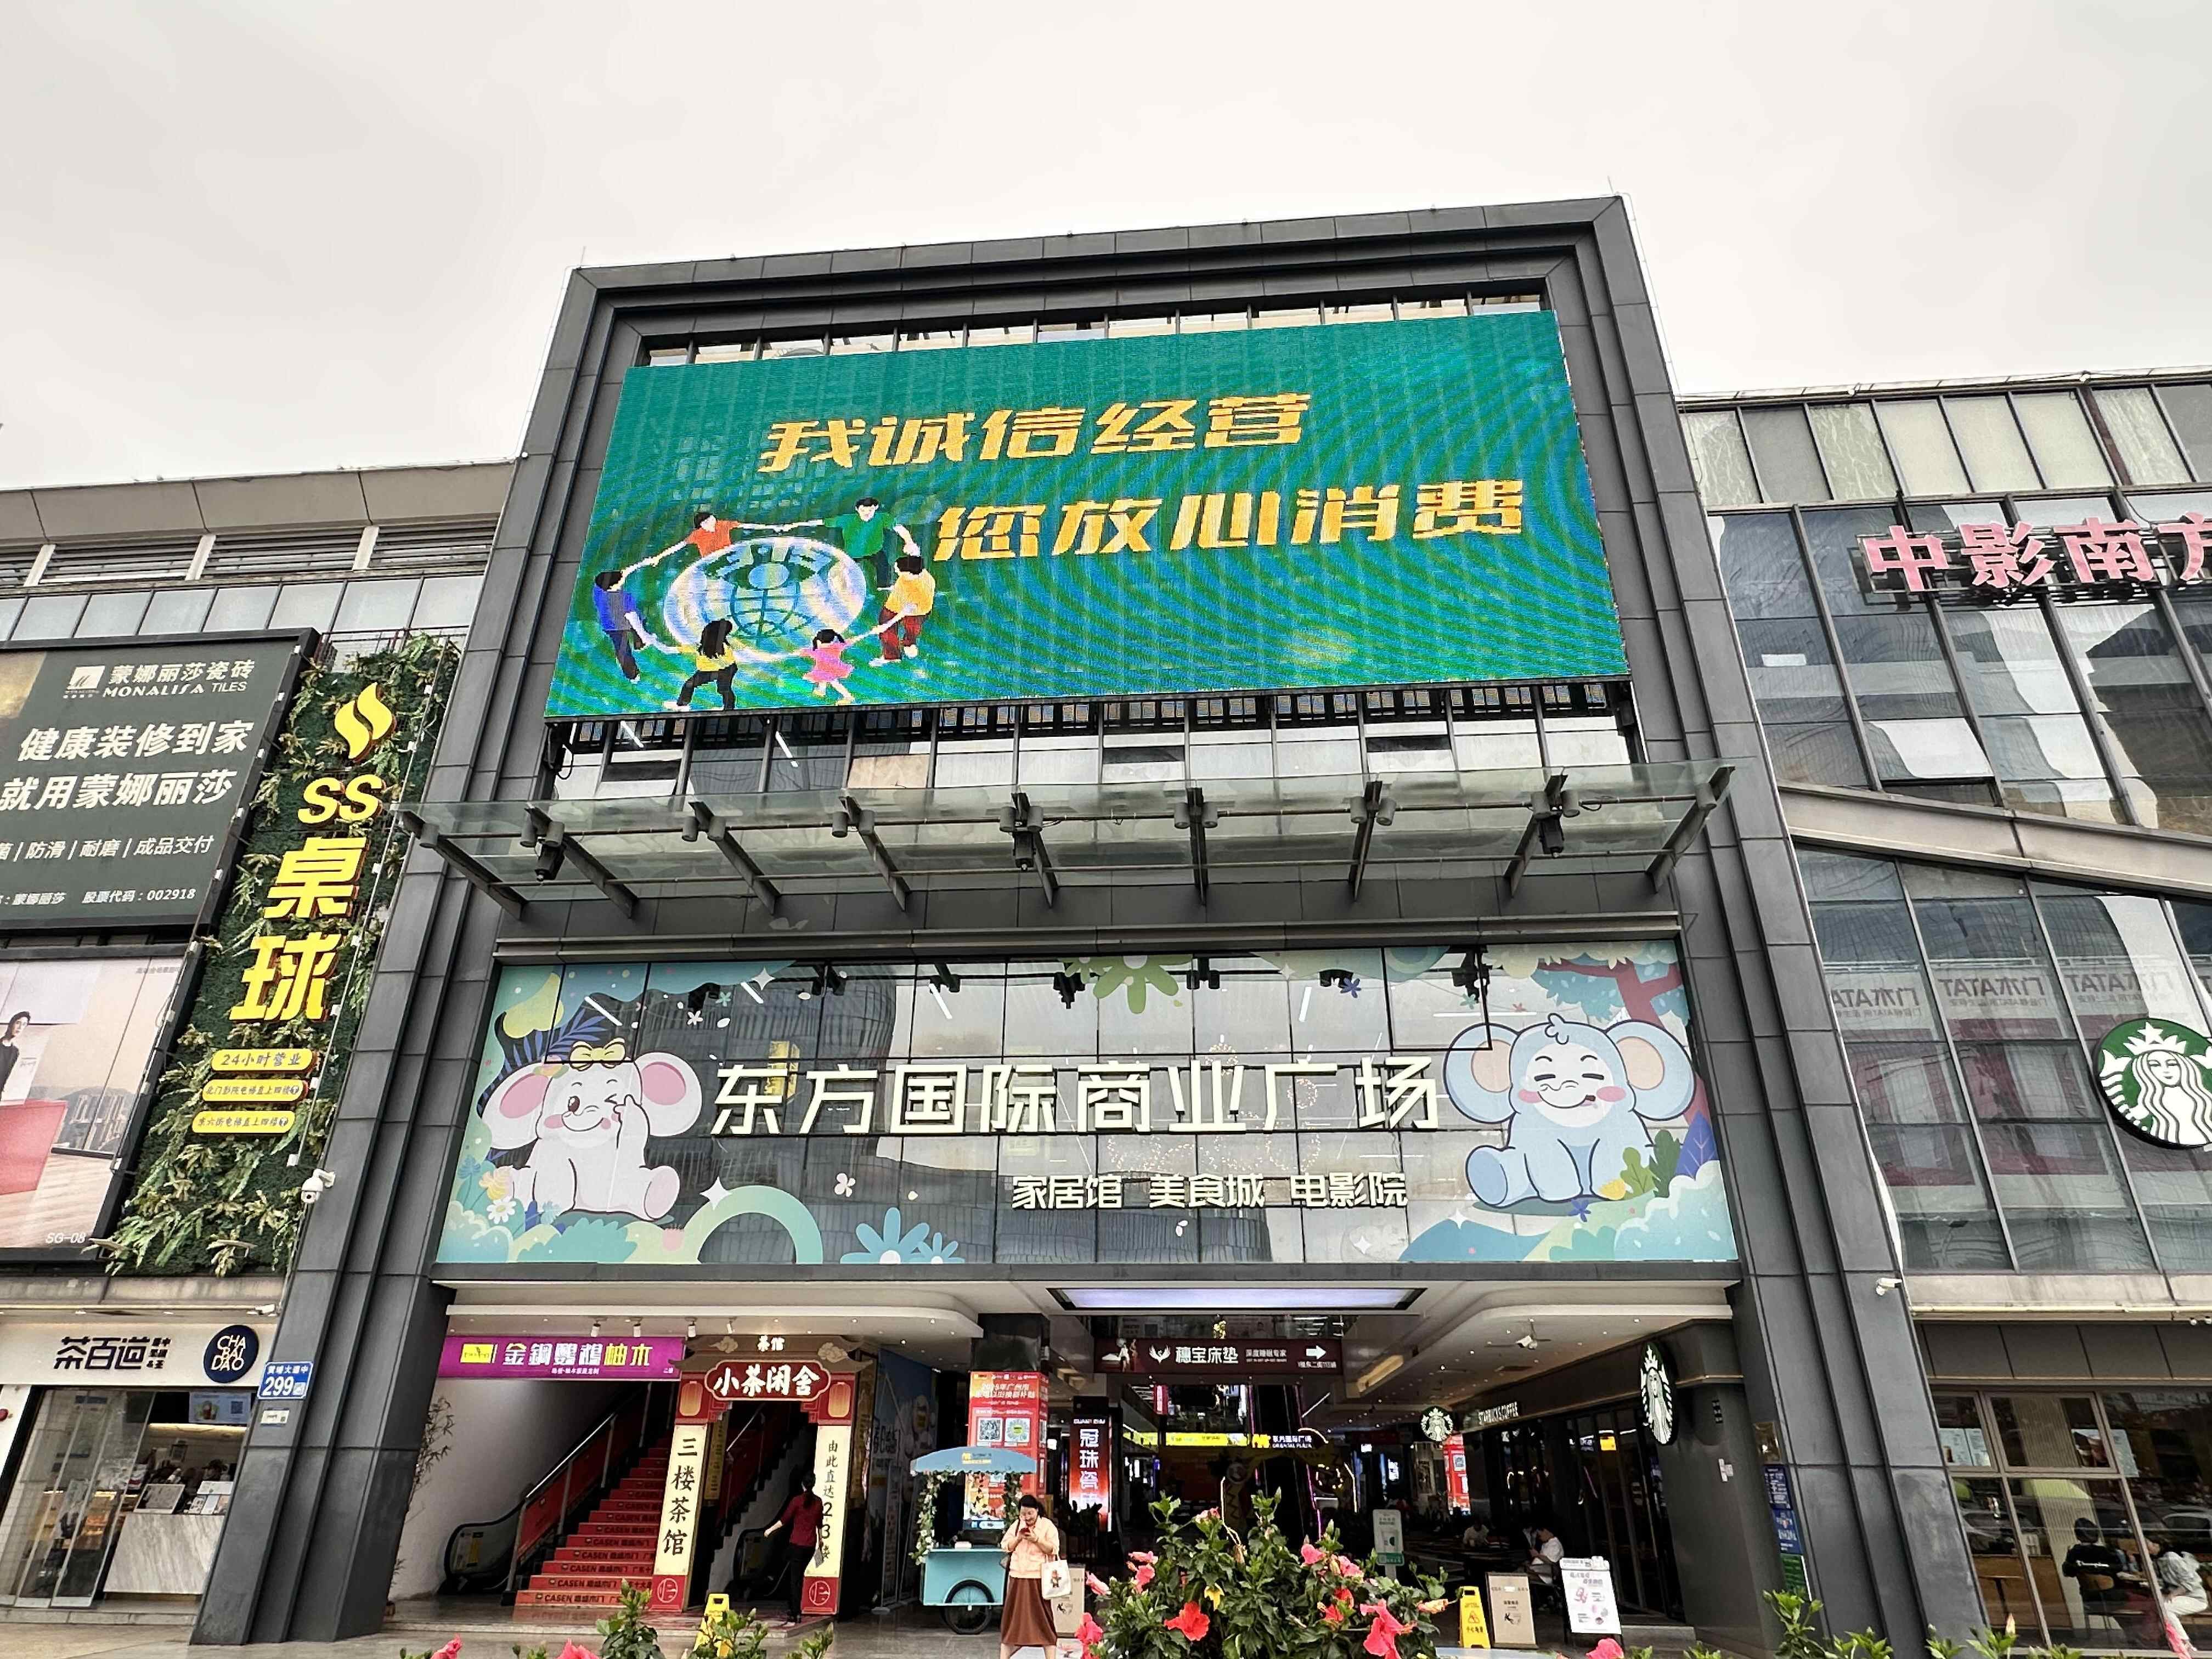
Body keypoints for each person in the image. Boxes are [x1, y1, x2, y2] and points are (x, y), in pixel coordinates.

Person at [789, 498, 918, 591]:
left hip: (875, 551)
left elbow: (900, 529)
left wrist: (910, 542)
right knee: (840, 573)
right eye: (863, 510)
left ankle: (884, 586)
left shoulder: (883, 518)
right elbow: (821, 522)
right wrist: (795, 525)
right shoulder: (847, 520)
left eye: (871, 510)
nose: (867, 514)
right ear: (857, 509)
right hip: (853, 553)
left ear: (876, 508)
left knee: (883, 566)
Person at [997, 1492, 1061, 1659]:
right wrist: (1019, 1538)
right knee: (1010, 1622)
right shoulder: (1017, 1525)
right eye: (1023, 1514)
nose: (1027, 1517)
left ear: (1037, 1511)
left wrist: (1036, 1539)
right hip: (1017, 1578)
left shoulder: (1047, 1526)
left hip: (1038, 1579)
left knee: (1045, 1622)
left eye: (1030, 1513)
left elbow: (1053, 1549)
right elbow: (1006, 1546)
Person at [761, 1472, 824, 1627]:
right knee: (799, 1577)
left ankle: (796, 1611)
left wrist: (770, 1530)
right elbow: (820, 1524)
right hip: (810, 1546)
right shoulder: (818, 1502)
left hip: (797, 1545)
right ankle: (796, 1609)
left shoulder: (797, 1501)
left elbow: (784, 1520)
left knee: (794, 1580)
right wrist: (821, 1541)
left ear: (802, 1484)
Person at [589, 565, 664, 681]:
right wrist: (646, 636)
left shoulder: (599, 588)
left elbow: (624, 573)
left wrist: (646, 563)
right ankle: (639, 645)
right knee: (636, 627)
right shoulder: (625, 598)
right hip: (621, 622)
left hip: (609, 624)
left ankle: (632, 673)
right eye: (620, 582)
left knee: (621, 648)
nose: (622, 582)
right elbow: (633, 619)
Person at [870, 553, 936, 663]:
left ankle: (892, 656)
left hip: (910, 610)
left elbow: (905, 611)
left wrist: (885, 626)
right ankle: (908, 644)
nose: (896, 572)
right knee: (912, 629)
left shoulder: (918, 590)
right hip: (920, 610)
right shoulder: (921, 573)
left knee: (889, 628)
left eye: (898, 571)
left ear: (909, 573)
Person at [2063, 1517, 2128, 1629]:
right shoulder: (2104, 1551)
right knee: (2147, 1601)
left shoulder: (2074, 1553)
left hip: (2090, 1601)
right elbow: (2119, 1568)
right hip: (2113, 1599)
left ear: (2077, 1535)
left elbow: (2068, 1572)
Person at [669, 618, 740, 711]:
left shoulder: (723, 647)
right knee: (690, 684)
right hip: (713, 670)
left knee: (724, 689)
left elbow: (728, 661)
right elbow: (684, 649)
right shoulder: (702, 647)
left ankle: (729, 708)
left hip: (725, 670)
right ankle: (682, 705)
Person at [2154, 1536, 2210, 1618]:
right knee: (2159, 1608)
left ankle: (2172, 1627)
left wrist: (2173, 1594)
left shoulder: (2172, 1558)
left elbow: (2190, 1581)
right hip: (2181, 1596)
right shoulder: (2159, 1562)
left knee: (2164, 1608)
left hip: (2194, 1598)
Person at [803, 628, 857, 704]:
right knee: (823, 679)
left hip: (828, 671)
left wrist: (792, 653)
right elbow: (850, 641)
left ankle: (849, 697)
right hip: (830, 670)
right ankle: (821, 691)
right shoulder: (836, 647)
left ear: (819, 641)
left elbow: (804, 652)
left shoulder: (818, 651)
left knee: (834, 683)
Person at [0, 1011, 29, 1097]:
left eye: (24, 1025)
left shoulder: (15, 1052)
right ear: (11, 1024)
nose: (20, 1027)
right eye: (18, 1023)